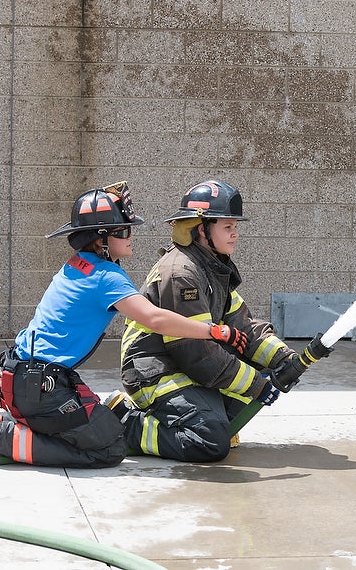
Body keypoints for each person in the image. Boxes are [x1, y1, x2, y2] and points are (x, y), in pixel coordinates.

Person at [0, 182, 248, 468]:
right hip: (40, 387)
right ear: (102, 239)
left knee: (104, 429)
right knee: (108, 449)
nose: (131, 235)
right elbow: (154, 318)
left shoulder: (78, 265)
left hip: (21, 376)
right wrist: (213, 330)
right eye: (123, 230)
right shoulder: (106, 277)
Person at [111, 179, 296, 462]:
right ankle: (126, 423)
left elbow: (243, 325)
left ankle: (209, 417)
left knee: (261, 366)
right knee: (208, 441)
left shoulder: (212, 265)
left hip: (181, 363)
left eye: (235, 227)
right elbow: (196, 352)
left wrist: (283, 357)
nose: (235, 234)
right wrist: (257, 386)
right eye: (227, 227)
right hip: (154, 371)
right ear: (201, 230)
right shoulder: (182, 272)